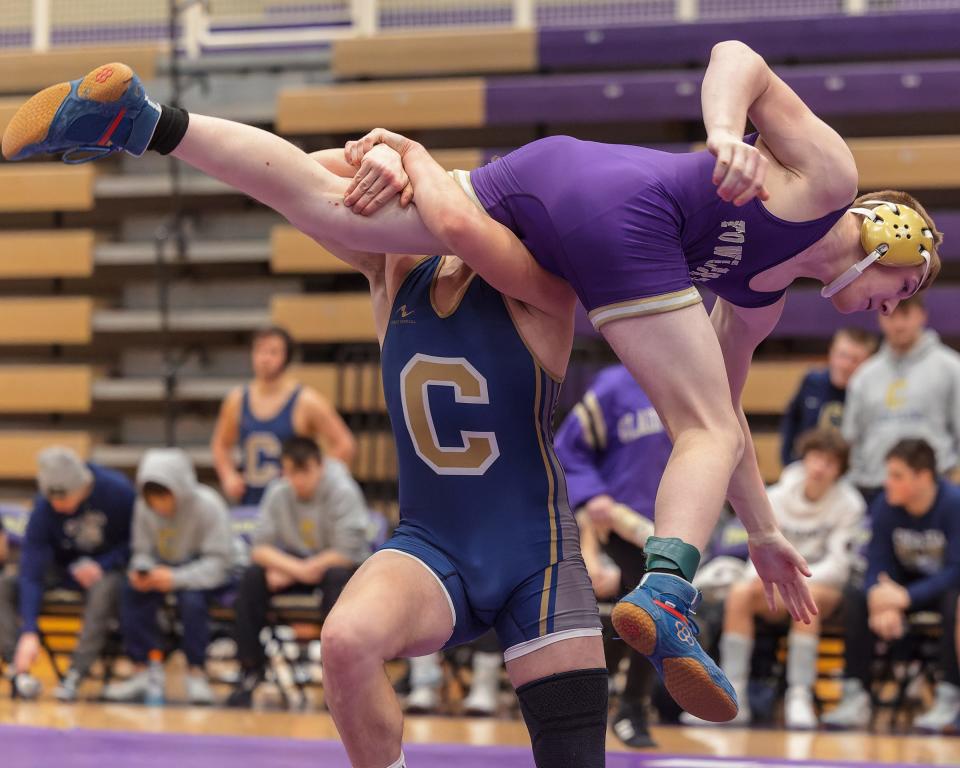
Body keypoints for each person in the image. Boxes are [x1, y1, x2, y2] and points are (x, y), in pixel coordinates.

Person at [4, 39, 944, 721]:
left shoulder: (762, 297)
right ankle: (666, 592)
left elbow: (729, 419)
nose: (897, 309)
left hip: (549, 179)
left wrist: (768, 532)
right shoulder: (826, 179)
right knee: (698, 428)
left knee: (336, 208)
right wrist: (725, 131)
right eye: (906, 291)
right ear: (896, 240)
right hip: (621, 219)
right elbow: (738, 51)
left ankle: (146, 121)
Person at [684, 429, 865, 729]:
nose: (820, 467)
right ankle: (733, 695)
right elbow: (760, 548)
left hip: (820, 586)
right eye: (816, 457)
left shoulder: (850, 504)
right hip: (779, 583)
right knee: (740, 592)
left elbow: (839, 565)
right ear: (805, 458)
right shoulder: (777, 495)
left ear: (840, 470)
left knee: (810, 599)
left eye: (830, 463)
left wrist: (795, 582)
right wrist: (780, 581)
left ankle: (799, 695)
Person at [554, 364, 672, 747]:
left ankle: (613, 701)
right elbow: (567, 447)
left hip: (672, 523)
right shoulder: (614, 386)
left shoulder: (693, 379)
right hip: (622, 523)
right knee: (643, 610)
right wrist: (592, 493)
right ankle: (620, 709)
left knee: (649, 615)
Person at [822, 439, 960, 731]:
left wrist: (905, 598)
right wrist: (878, 598)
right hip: (898, 591)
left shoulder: (953, 504)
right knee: (855, 596)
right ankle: (855, 694)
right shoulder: (886, 505)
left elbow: (956, 571)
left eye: (897, 476)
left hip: (939, 589)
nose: (887, 483)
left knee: (955, 600)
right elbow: (876, 561)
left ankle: (949, 696)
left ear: (923, 477)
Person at [227, 436, 370, 707]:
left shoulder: (343, 491)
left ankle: (338, 676)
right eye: (291, 472)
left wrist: (297, 570)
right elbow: (259, 548)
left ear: (320, 466)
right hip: (297, 568)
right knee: (252, 577)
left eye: (303, 472)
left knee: (338, 578)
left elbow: (347, 552)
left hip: (332, 571)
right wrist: (295, 569)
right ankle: (250, 669)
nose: (297, 480)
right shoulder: (278, 492)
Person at [104, 448, 242, 705]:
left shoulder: (208, 505)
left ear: (180, 489)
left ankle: (196, 672)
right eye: (152, 498)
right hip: (165, 570)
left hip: (209, 574)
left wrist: (175, 578)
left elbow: (220, 563)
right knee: (131, 590)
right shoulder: (143, 508)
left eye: (164, 496)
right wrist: (142, 570)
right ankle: (141, 670)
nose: (159, 505)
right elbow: (142, 550)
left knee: (192, 600)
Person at [0, 447, 135, 701]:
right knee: (5, 585)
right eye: (52, 501)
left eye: (64, 500)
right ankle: (17, 666)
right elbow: (31, 569)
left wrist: (103, 564)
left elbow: (137, 541)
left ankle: (76, 672)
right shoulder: (44, 507)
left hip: (104, 570)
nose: (58, 506)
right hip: (61, 569)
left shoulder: (118, 491)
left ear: (84, 486)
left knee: (106, 588)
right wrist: (29, 630)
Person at [212, 325, 357, 506]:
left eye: (273, 352)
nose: (265, 358)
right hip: (252, 501)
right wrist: (228, 476)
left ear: (286, 357)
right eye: (260, 351)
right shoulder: (236, 400)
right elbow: (221, 444)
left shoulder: (306, 401)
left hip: (294, 504)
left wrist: (313, 476)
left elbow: (345, 444)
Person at [843, 296, 960, 502]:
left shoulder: (951, 368)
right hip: (876, 489)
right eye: (890, 315)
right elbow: (852, 438)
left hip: (935, 490)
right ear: (880, 319)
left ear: (922, 315)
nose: (898, 324)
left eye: (905, 315)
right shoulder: (864, 375)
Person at [779, 328, 877, 466]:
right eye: (842, 355)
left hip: (849, 472)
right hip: (806, 467)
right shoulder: (812, 381)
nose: (845, 365)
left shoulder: (871, 394)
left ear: (869, 363)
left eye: (855, 360)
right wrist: (788, 462)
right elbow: (791, 420)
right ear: (831, 352)